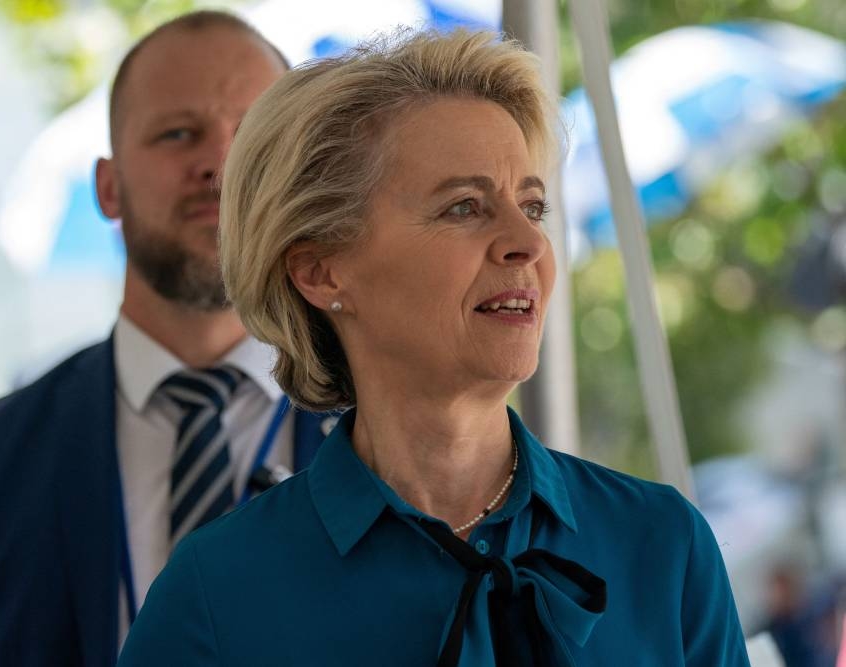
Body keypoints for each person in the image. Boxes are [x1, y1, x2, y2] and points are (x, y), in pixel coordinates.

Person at [118, 29, 752, 666]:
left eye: (533, 207)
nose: (528, 243)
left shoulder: (663, 545)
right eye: (464, 208)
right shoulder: (216, 593)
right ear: (321, 272)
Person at [0, 11, 330, 667]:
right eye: (178, 133)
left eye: (253, 136)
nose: (219, 163)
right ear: (108, 187)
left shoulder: (384, 434)